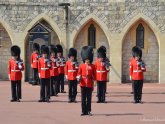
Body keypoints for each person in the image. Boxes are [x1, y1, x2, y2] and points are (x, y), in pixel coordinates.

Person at [77, 46, 95, 116]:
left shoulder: (92, 66)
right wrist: (79, 78)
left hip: (90, 83)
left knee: (89, 99)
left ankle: (89, 111)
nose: (87, 60)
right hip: (83, 83)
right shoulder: (81, 66)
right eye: (86, 59)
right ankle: (83, 111)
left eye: (88, 59)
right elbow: (78, 73)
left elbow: (94, 74)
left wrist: (95, 81)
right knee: (83, 99)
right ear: (84, 59)